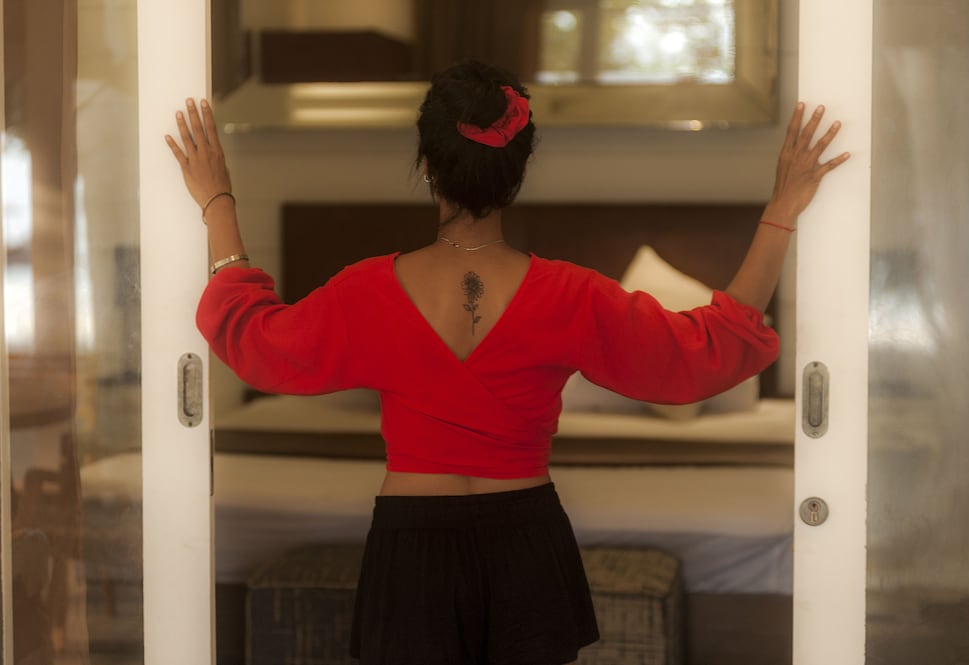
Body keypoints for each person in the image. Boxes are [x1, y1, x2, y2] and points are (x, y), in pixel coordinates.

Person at [166, 60, 848, 665]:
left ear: (428, 166)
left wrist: (217, 203)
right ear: (516, 172)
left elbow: (255, 340)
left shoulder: (366, 291)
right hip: (527, 541)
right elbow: (708, 349)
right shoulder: (571, 294)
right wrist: (782, 210)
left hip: (412, 547)